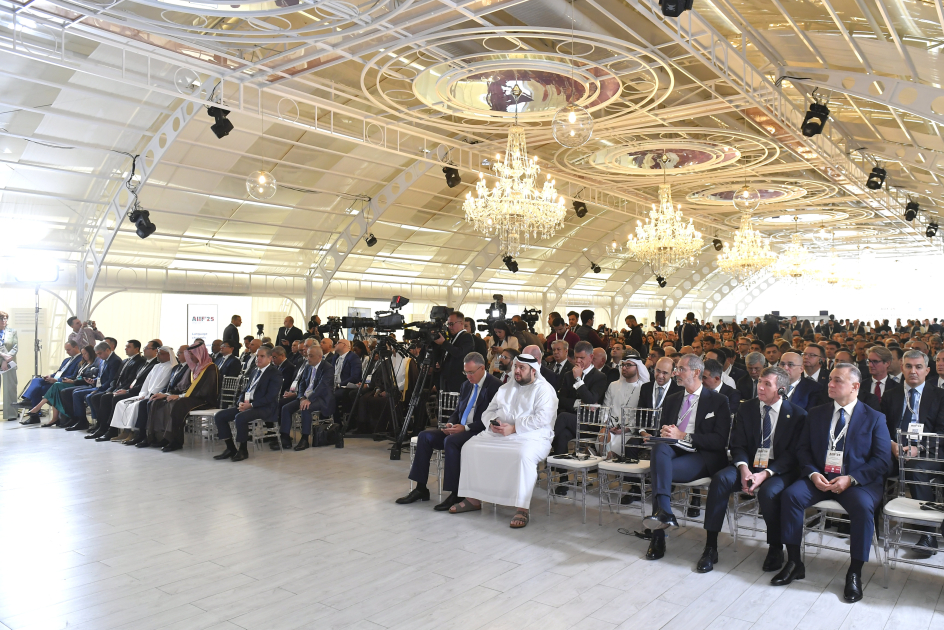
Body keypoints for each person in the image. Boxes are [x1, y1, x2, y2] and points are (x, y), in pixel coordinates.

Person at [772, 363, 890, 603]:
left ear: (855, 386)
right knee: (791, 496)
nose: (831, 384)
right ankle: (794, 562)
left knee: (863, 507)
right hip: (820, 477)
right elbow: (802, 450)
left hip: (856, 482)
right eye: (830, 379)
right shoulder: (817, 413)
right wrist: (813, 474)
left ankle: (854, 572)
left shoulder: (874, 418)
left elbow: (882, 460)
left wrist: (851, 479)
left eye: (838, 380)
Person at [700, 366, 807, 573]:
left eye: (767, 384)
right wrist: (743, 469)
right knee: (721, 479)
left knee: (768, 492)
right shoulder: (747, 408)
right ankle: (710, 547)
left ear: (781, 390)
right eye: (760, 382)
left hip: (778, 469)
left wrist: (765, 474)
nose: (760, 388)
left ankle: (775, 547)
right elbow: (737, 444)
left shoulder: (797, 415)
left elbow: (792, 455)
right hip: (748, 463)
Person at [449, 354, 557, 528]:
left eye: (522, 368)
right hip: (499, 433)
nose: (517, 371)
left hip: (533, 436)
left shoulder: (544, 390)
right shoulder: (506, 388)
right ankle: (473, 499)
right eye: (516, 367)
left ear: (533, 370)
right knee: (470, 447)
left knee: (523, 455)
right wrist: (493, 423)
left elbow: (542, 419)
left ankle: (522, 508)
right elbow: (488, 412)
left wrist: (514, 428)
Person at [642, 354, 732, 561]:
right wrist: (664, 433)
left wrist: (684, 435)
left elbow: (719, 440)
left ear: (696, 372)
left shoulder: (718, 401)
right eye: (677, 369)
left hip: (702, 455)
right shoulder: (673, 399)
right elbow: (664, 430)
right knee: (659, 449)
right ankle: (664, 512)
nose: (676, 373)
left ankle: (659, 532)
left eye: (681, 369)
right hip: (674, 451)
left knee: (659, 469)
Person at [397, 352, 501, 511]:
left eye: (471, 372)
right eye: (465, 372)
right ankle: (420, 488)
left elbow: (492, 418)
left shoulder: (495, 386)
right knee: (425, 436)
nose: (468, 376)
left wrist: (465, 428)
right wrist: (450, 424)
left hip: (478, 431)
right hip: (460, 428)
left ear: (482, 368)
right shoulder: (466, 385)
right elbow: (457, 411)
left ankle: (456, 493)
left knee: (451, 442)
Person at [880, 349, 944, 555]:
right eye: (908, 366)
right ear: (902, 367)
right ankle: (867, 523)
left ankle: (928, 535)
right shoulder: (890, 395)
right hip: (895, 450)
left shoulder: (940, 396)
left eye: (918, 367)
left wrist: (919, 448)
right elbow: (880, 427)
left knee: (916, 469)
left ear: (927, 370)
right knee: (873, 466)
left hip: (930, 452)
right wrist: (892, 444)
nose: (913, 371)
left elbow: (942, 432)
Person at [147, 340, 219, 452]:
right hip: (190, 398)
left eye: (192, 354)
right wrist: (166, 394)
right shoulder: (194, 367)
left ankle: (175, 441)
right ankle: (162, 437)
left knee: (179, 404)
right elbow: (183, 386)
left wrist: (180, 396)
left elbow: (205, 390)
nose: (190, 357)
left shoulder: (210, 368)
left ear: (200, 353)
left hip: (204, 400)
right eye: (189, 354)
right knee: (159, 402)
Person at [213, 346, 281, 461]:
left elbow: (271, 397)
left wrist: (251, 405)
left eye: (262, 356)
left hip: (265, 407)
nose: (258, 358)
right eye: (257, 356)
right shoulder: (254, 370)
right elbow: (245, 390)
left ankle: (243, 450)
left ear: (270, 358)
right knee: (220, 416)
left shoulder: (275, 373)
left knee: (241, 417)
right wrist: (240, 402)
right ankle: (230, 448)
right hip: (247, 405)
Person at [91, 340, 162, 442]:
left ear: (156, 350)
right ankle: (102, 426)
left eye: (128, 347)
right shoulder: (142, 362)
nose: (144, 350)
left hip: (138, 392)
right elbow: (117, 378)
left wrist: (127, 391)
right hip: (130, 389)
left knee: (112, 398)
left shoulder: (151, 363)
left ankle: (112, 429)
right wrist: (115, 389)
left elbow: (141, 383)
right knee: (99, 397)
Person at [551, 341, 609, 459]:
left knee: (563, 417)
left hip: (589, 422)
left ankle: (545, 441)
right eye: (576, 357)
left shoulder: (600, 377)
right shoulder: (568, 375)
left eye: (582, 358)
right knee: (562, 436)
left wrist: (578, 379)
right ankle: (560, 470)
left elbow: (591, 399)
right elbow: (561, 400)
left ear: (591, 357)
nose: (578, 361)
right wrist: (579, 403)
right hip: (571, 421)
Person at [109, 345, 176, 443]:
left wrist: (148, 395)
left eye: (160, 354)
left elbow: (162, 385)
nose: (157, 355)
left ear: (169, 355)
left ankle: (136, 433)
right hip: (146, 394)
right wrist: (142, 395)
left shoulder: (170, 367)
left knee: (136, 405)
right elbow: (146, 383)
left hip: (155, 395)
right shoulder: (156, 366)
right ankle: (125, 431)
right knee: (121, 403)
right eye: (157, 353)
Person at [276, 345, 335, 451]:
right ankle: (285, 438)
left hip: (321, 398)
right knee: (286, 408)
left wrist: (309, 399)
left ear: (319, 356)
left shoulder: (327, 368)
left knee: (305, 408)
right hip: (306, 397)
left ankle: (304, 439)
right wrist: (301, 397)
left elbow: (322, 386)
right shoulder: (308, 366)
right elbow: (302, 383)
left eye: (311, 356)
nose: (308, 358)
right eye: (307, 355)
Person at [134, 346, 191, 447]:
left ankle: (166, 438)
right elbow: (168, 386)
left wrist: (168, 394)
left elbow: (186, 387)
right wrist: (162, 393)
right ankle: (147, 435)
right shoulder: (176, 368)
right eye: (178, 352)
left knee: (153, 403)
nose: (178, 355)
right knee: (149, 402)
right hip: (170, 394)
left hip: (181, 397)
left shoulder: (190, 368)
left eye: (180, 353)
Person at [63, 341, 122, 431]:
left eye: (99, 353)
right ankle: (82, 420)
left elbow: (111, 380)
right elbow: (100, 377)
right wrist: (93, 381)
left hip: (106, 388)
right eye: (97, 354)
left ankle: (98, 422)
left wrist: (98, 388)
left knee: (90, 396)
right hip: (99, 386)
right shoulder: (104, 360)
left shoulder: (115, 360)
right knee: (76, 393)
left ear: (107, 350)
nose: (98, 356)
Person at [20, 341, 82, 422]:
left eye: (69, 350)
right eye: (66, 350)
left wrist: (56, 380)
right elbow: (59, 372)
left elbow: (74, 376)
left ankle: (33, 415)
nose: (67, 352)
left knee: (38, 390)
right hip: (55, 380)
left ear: (76, 347)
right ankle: (27, 399)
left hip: (64, 383)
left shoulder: (81, 359)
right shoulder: (66, 360)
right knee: (36, 380)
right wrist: (50, 376)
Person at [37, 345, 97, 427]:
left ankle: (40, 407)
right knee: (56, 388)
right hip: (74, 382)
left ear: (91, 353)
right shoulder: (83, 363)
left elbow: (87, 378)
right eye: (82, 354)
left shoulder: (95, 364)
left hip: (83, 384)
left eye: (85, 353)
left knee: (58, 387)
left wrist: (72, 381)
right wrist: (66, 379)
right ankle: (66, 417)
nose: (83, 356)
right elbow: (74, 375)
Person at [601, 353, 648, 457]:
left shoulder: (643, 388)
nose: (624, 368)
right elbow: (605, 408)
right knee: (603, 434)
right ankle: (607, 456)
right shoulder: (613, 385)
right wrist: (607, 424)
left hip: (629, 432)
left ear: (638, 367)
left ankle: (605, 456)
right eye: (623, 365)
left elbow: (641, 415)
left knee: (614, 447)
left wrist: (627, 428)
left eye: (629, 365)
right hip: (610, 430)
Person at [434, 311, 475, 395]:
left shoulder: (466, 337)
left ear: (461, 323)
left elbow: (460, 353)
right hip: (446, 381)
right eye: (448, 324)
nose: (450, 327)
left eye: (452, 324)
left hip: (457, 381)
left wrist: (444, 343)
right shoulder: (451, 337)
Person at [0, 311, 18, 421]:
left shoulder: (12, 331)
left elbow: (15, 347)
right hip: (4, 358)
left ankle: (11, 414)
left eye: (5, 318)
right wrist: (3, 356)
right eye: (1, 318)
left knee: (10, 388)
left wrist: (5, 360)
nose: (3, 321)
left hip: (9, 362)